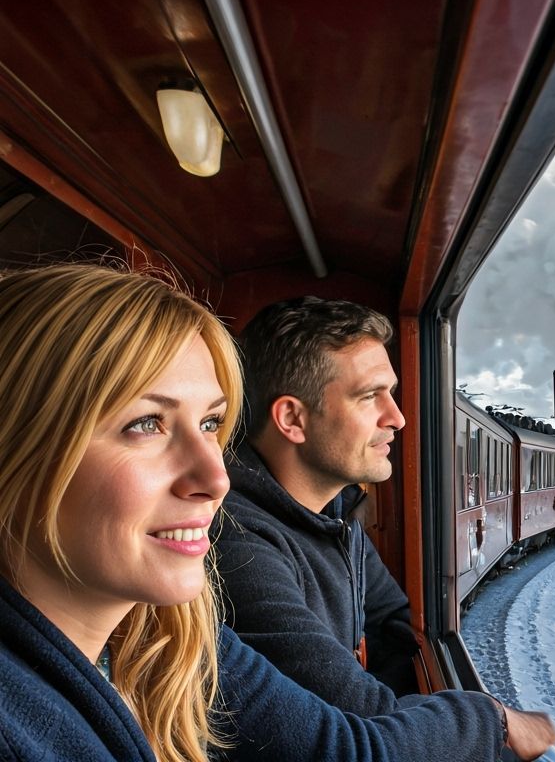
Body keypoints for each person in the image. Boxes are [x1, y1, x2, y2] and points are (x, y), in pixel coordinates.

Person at [0, 263, 524, 761]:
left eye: (210, 424)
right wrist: (491, 720)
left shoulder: (169, 627)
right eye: (146, 424)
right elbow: (351, 749)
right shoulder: (228, 552)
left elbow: (392, 627)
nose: (215, 479)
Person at [211, 296, 555, 751]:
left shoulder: (339, 511)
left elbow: (394, 622)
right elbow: (366, 719)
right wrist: (494, 720)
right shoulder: (233, 541)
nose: (397, 417)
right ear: (292, 418)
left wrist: (415, 710)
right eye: (370, 396)